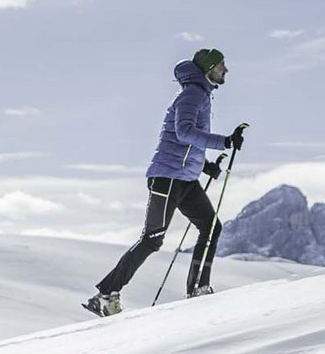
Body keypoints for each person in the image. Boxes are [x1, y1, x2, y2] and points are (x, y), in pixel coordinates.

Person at [84, 49, 247, 316]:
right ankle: (104, 296)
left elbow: (182, 142)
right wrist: (225, 142)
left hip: (185, 178)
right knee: (152, 239)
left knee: (211, 227)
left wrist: (207, 167)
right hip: (167, 179)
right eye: (221, 66)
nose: (226, 70)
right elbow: (184, 133)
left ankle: (198, 288)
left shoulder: (200, 95)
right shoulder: (192, 95)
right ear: (208, 69)